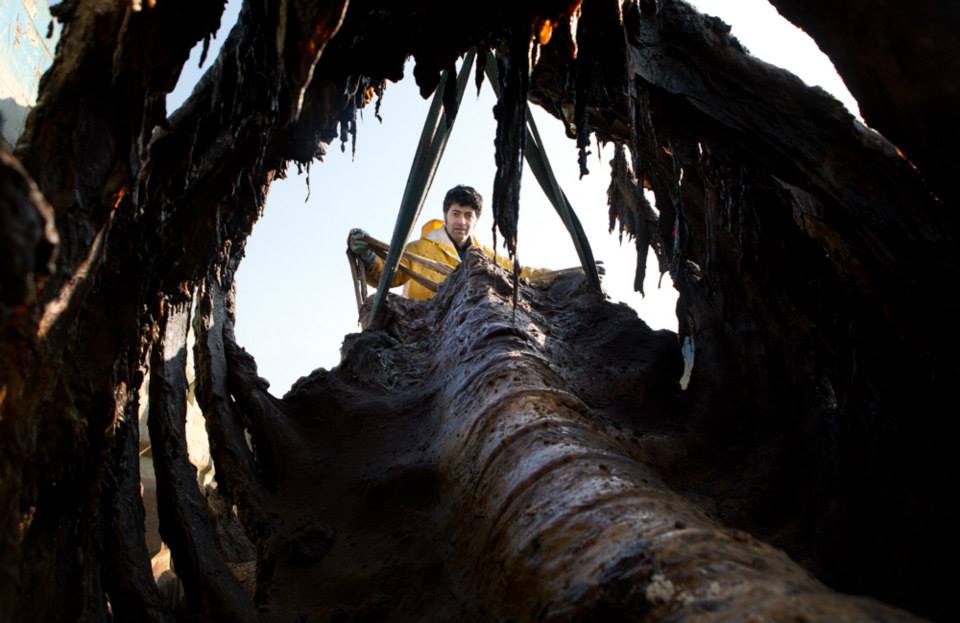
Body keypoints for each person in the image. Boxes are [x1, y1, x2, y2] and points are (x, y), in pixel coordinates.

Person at [349, 184, 547, 300]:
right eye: (456, 214)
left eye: (468, 215)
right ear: (446, 215)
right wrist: (368, 257)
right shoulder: (421, 249)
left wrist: (564, 276)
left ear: (476, 219)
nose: (462, 222)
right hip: (425, 333)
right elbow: (389, 274)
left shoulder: (485, 256)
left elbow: (520, 274)